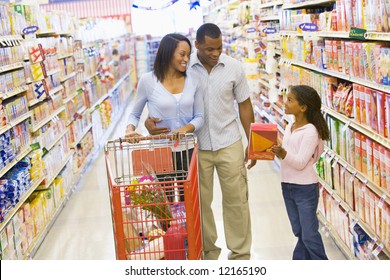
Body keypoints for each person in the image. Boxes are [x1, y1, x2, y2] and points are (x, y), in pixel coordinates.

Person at [145, 23, 256, 260]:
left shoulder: (234, 67)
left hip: (229, 142)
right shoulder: (184, 67)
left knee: (237, 200)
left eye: (219, 48)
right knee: (200, 204)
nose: (215, 53)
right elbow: (163, 98)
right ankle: (208, 253)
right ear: (196, 46)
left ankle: (240, 255)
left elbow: (245, 106)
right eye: (209, 49)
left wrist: (253, 144)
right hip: (195, 148)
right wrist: (149, 122)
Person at [126, 33, 204, 201]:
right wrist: (130, 130)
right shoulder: (148, 81)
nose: (186, 60)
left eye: (188, 55)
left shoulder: (193, 79)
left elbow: (199, 116)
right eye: (181, 54)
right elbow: (134, 114)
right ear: (168, 53)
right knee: (164, 205)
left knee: (189, 203)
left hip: (188, 151)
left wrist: (186, 128)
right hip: (161, 152)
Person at [271, 85, 329, 260]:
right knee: (299, 231)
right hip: (287, 185)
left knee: (309, 235)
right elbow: (289, 157)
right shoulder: (291, 126)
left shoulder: (310, 131)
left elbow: (301, 162)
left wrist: (283, 153)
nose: (285, 103)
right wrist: (276, 150)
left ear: (303, 107)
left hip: (304, 188)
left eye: (290, 100)